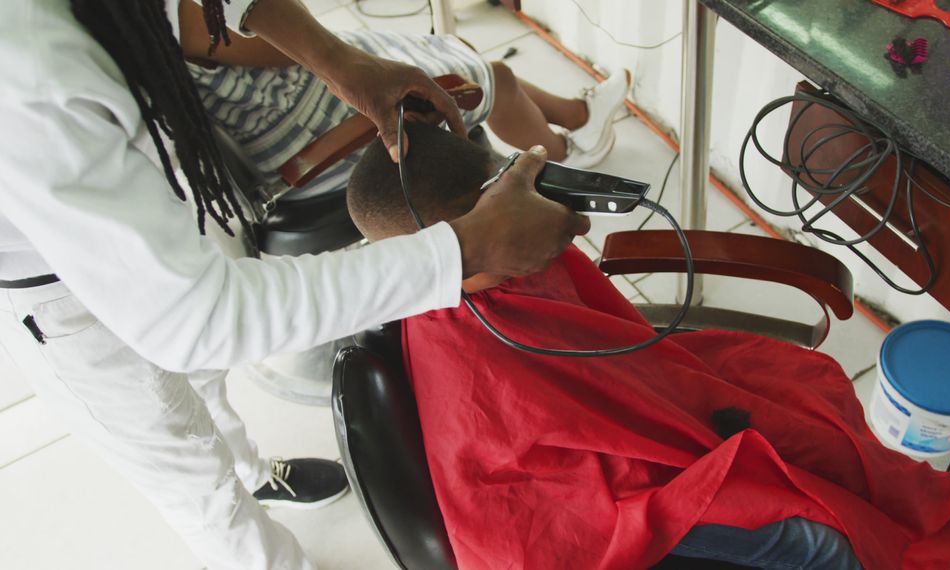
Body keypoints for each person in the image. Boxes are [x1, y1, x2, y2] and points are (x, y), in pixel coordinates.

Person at [0, 1, 587, 569]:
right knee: (193, 478)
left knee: (206, 387)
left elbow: (197, 9)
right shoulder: (26, 64)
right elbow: (197, 320)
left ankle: (254, 473)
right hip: (61, 291)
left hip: (169, 191)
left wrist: (340, 60)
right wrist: (461, 249)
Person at [344, 122, 950, 570]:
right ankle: (896, 530)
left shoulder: (507, 251)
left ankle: (941, 513)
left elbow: (613, 366)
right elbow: (553, 496)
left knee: (806, 386)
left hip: (639, 393)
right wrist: (702, 452)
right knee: (820, 537)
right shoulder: (472, 347)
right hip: (583, 516)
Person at [176, 0, 631, 199]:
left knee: (457, 53)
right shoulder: (178, 15)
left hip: (289, 107)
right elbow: (280, 46)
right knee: (493, 78)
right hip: (305, 136)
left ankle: (579, 116)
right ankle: (563, 158)